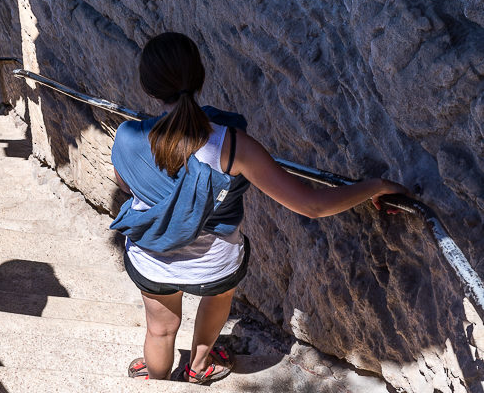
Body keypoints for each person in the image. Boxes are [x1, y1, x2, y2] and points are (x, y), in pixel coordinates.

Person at [113, 32, 406, 384]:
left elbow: (127, 187)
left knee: (160, 330)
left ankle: (156, 380)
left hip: (152, 258)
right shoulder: (233, 144)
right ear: (200, 76)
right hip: (212, 264)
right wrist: (377, 185)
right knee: (217, 297)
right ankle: (199, 365)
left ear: (148, 87)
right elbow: (312, 205)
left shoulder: (127, 136)